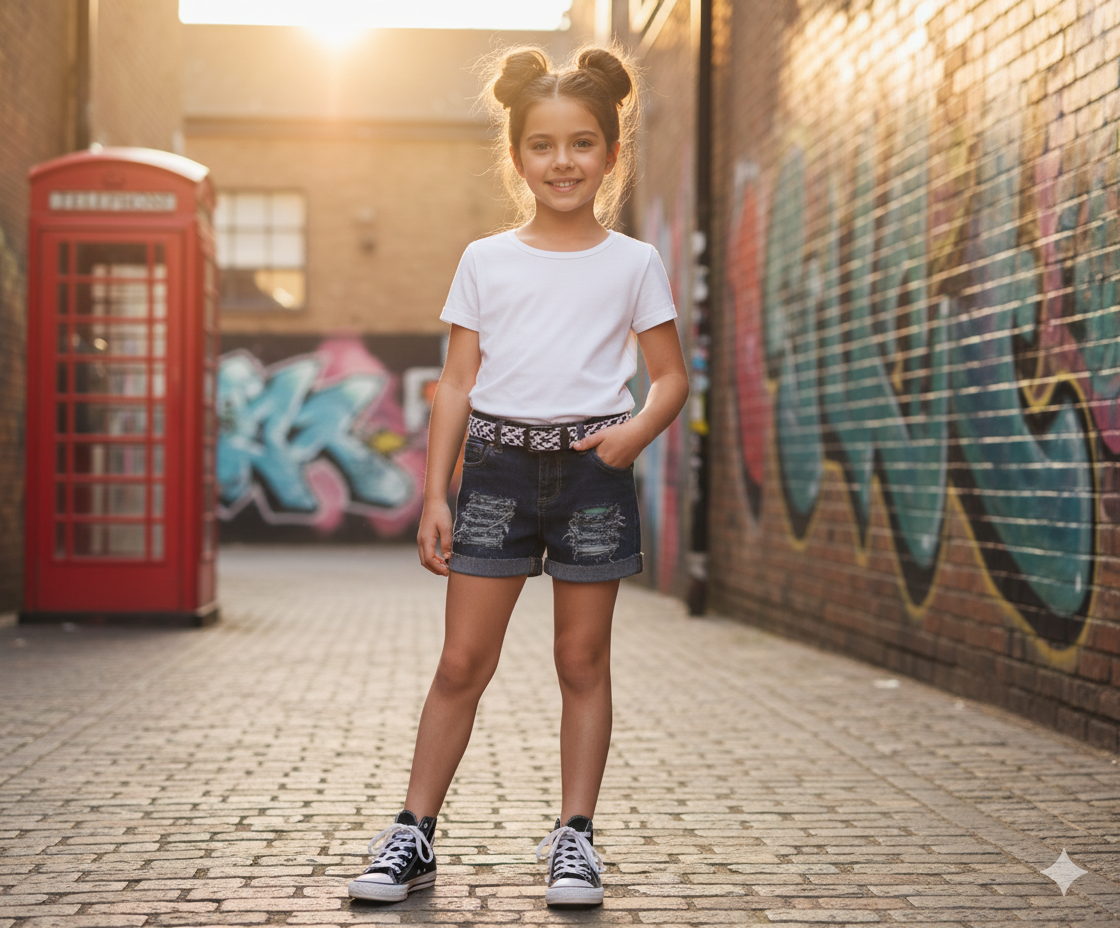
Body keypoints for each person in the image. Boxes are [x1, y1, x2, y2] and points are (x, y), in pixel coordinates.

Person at [348, 44, 688, 908]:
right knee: (462, 661)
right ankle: (413, 835)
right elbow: (456, 382)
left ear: (610, 155)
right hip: (495, 475)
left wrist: (634, 435)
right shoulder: (485, 260)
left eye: (581, 144)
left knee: (582, 661)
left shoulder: (634, 263)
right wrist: (435, 493)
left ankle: (574, 840)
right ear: (517, 156)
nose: (562, 161)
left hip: (592, 476)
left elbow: (672, 377)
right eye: (543, 145)